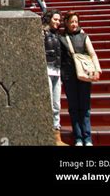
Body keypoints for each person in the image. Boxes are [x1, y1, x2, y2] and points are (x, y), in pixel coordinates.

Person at [60, 11, 101, 146]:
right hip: (69, 76)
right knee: (73, 107)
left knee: (85, 106)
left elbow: (92, 53)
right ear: (66, 22)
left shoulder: (84, 36)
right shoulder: (61, 37)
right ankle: (78, 137)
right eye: (71, 21)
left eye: (76, 22)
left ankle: (87, 137)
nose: (74, 24)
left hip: (84, 74)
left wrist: (97, 68)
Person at [42, 10, 68, 146]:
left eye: (59, 20)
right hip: (46, 70)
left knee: (56, 105)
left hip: (57, 71)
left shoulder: (59, 35)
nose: (58, 22)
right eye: (55, 19)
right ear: (49, 19)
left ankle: (57, 136)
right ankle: (47, 134)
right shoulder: (41, 32)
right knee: (49, 104)